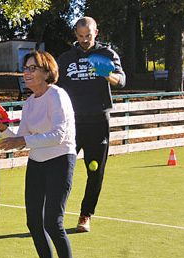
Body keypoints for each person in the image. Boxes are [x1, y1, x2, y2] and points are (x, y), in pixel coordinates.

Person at [0, 51, 81, 258]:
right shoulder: (30, 102)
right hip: (37, 163)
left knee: (53, 222)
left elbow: (59, 135)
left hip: (61, 160)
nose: (27, 72)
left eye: (33, 68)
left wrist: (22, 140)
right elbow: (21, 139)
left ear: (47, 72)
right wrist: (2, 127)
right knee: (33, 221)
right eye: (25, 68)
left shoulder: (57, 96)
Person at [56, 16, 126, 233]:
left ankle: (85, 214)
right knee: (61, 170)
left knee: (95, 172)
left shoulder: (107, 54)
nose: (84, 40)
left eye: (88, 35)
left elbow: (122, 81)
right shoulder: (66, 58)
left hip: (97, 121)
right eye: (80, 36)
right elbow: (54, 85)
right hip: (71, 123)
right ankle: (54, 215)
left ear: (96, 32)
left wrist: (107, 75)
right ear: (75, 35)